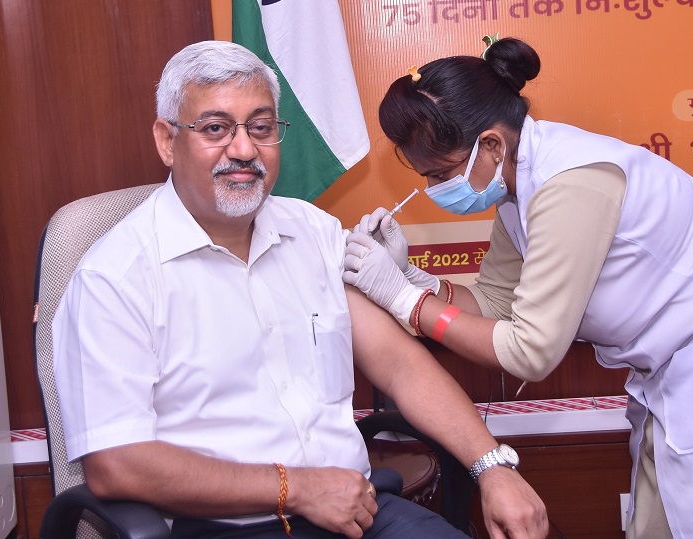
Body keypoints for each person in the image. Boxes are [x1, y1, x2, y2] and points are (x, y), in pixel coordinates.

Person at [342, 36, 693, 539]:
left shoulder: (569, 184)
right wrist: (413, 277)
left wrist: (404, 301)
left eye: (441, 174)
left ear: (490, 144)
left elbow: (528, 352)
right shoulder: (515, 189)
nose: (433, 189)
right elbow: (494, 303)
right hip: (683, 362)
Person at [51, 40, 548, 539]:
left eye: (261, 128)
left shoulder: (313, 232)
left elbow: (399, 365)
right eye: (216, 128)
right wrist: (297, 489)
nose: (244, 150)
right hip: (225, 527)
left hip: (358, 512)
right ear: (166, 140)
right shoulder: (114, 278)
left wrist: (493, 466)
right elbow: (117, 463)